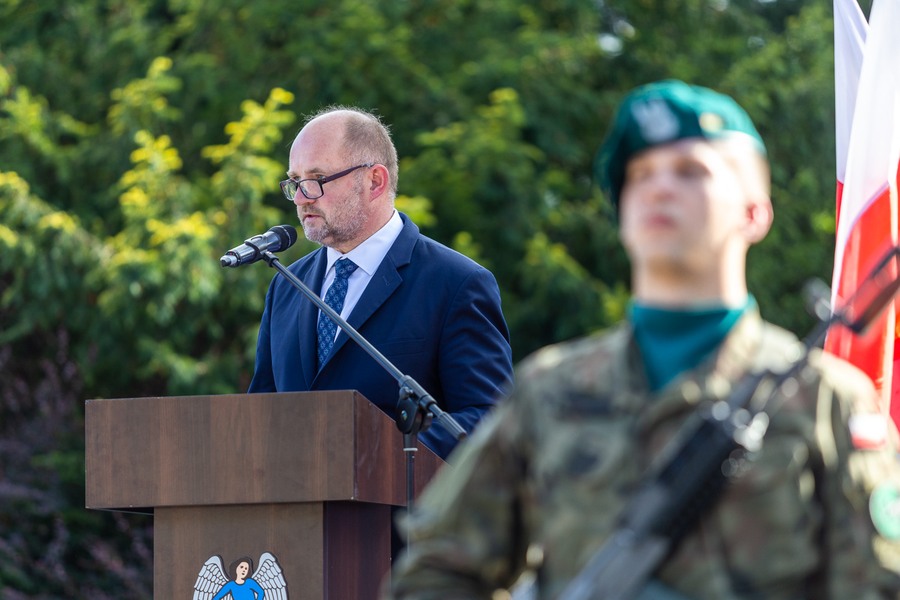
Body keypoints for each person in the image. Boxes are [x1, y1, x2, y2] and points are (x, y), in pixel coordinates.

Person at [385, 80, 900, 599]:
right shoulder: (549, 391)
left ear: (754, 212)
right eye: (639, 176)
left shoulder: (823, 399)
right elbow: (433, 573)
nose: (658, 189)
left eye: (690, 171)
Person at [248, 106, 513, 460]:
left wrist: (375, 454)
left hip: (403, 494)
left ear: (375, 181)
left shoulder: (456, 283)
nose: (300, 197)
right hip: (295, 496)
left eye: (317, 179)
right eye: (294, 181)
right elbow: (262, 413)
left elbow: (490, 422)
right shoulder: (287, 285)